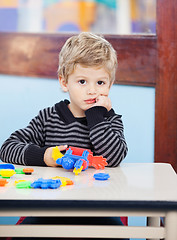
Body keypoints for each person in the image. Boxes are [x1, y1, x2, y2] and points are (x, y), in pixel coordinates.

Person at [0, 32, 128, 240]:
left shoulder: (110, 120)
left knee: (120, 236)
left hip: (97, 211)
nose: (92, 91)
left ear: (110, 85)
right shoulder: (48, 118)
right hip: (50, 209)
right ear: (64, 82)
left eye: (101, 83)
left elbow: (113, 158)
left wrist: (96, 115)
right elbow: (7, 148)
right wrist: (44, 156)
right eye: (82, 81)